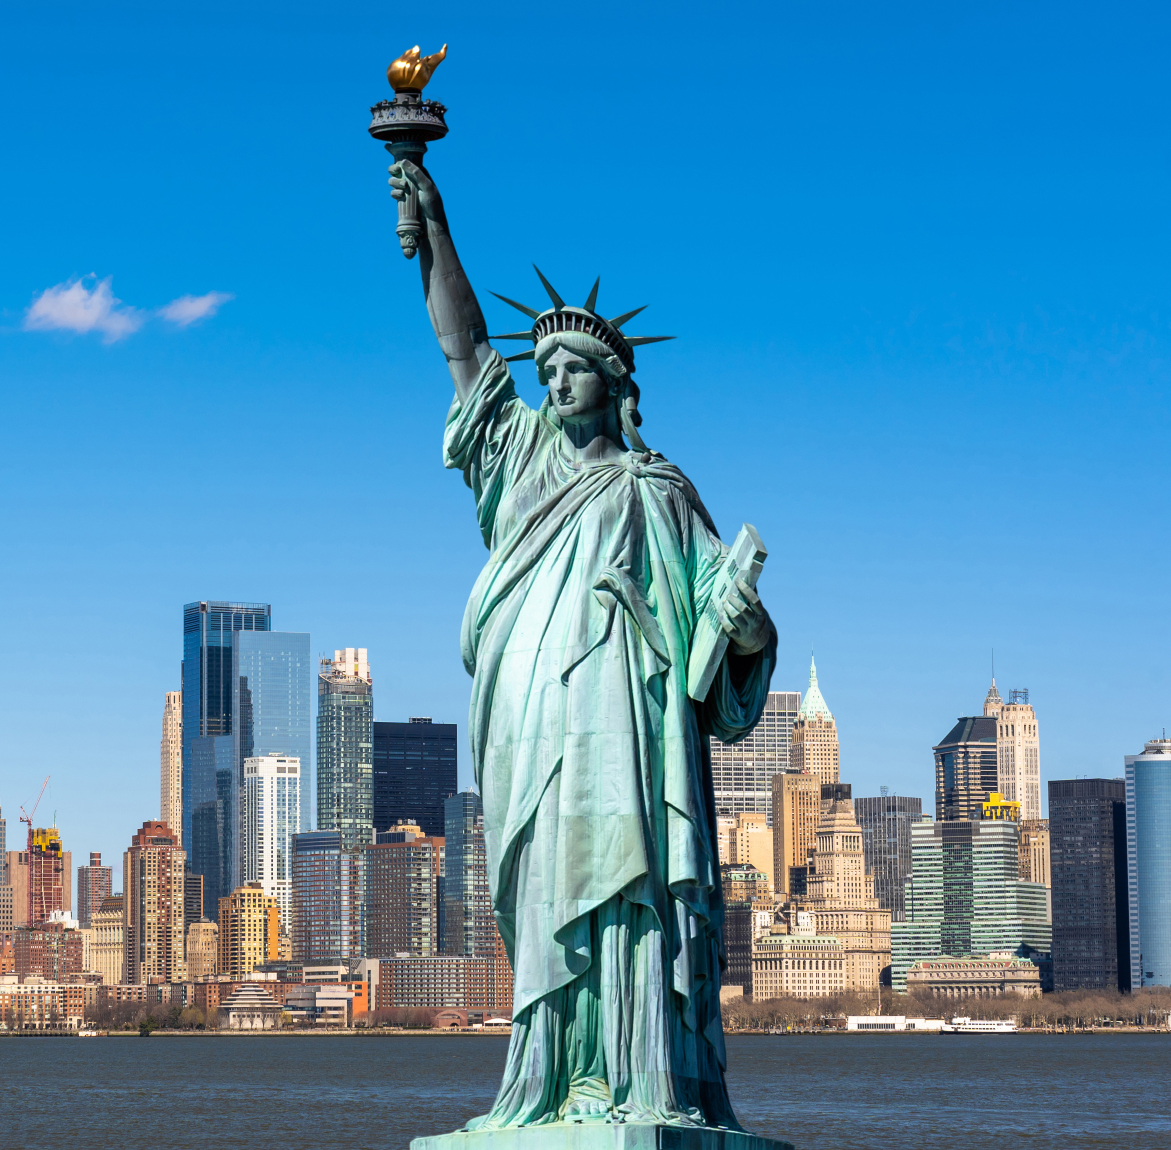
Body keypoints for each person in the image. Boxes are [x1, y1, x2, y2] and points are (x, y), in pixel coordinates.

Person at [389, 156, 777, 1131]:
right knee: (547, 884)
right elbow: (463, 347)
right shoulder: (514, 457)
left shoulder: (658, 491)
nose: (554, 380)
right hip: (530, 715)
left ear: (613, 385)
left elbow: (722, 638)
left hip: (629, 728)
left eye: (572, 369)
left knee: (630, 882)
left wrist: (743, 624)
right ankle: (547, 1084)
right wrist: (432, 225)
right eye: (546, 369)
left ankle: (645, 1081)